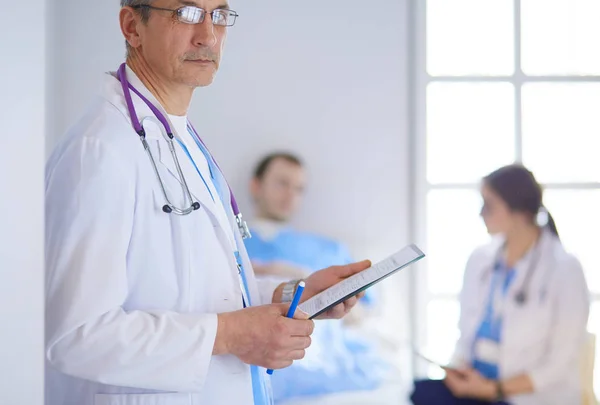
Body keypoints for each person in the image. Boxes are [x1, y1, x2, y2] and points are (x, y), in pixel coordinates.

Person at [43, 2, 371, 405]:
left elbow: (195, 287)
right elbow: (76, 338)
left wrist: (290, 295)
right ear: (132, 26)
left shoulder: (180, 138)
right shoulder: (98, 150)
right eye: (186, 13)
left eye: (218, 14)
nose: (208, 35)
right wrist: (232, 333)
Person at [410, 164, 590, 405]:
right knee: (421, 393)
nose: (480, 213)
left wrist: (493, 389)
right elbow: (466, 335)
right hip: (478, 384)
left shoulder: (565, 269)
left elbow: (559, 364)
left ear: (520, 212)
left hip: (527, 396)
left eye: (489, 205)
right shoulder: (480, 259)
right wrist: (457, 371)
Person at [244, 153, 390, 404]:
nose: (290, 195)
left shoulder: (328, 250)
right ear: (256, 186)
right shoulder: (233, 245)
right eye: (282, 183)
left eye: (299, 189)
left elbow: (364, 313)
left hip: (320, 356)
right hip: (258, 354)